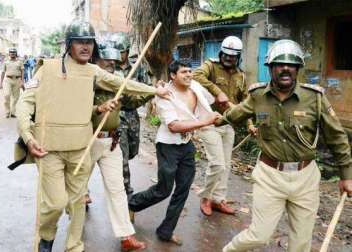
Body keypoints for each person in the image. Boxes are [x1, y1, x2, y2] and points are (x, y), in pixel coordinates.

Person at [16, 20, 170, 252]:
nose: (86, 46)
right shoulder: (46, 68)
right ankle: (46, 237)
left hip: (80, 149)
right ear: (69, 44)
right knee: (56, 202)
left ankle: (74, 246)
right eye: (80, 42)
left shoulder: (93, 72)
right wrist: (28, 136)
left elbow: (122, 83)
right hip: (49, 150)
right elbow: (24, 105)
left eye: (89, 42)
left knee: (78, 203)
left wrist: (154, 90)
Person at [220, 39, 352, 252]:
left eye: (291, 65)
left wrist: (346, 175)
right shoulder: (257, 96)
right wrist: (207, 120)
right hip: (269, 176)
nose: (285, 68)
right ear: (271, 68)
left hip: (305, 178)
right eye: (279, 64)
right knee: (259, 236)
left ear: (297, 69)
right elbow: (233, 115)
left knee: (300, 244)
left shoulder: (314, 98)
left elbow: (337, 137)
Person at [128, 60, 221, 245]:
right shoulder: (164, 95)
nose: (188, 75)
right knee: (164, 189)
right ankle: (132, 204)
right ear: (172, 75)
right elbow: (173, 126)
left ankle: (166, 230)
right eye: (183, 72)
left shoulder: (195, 86)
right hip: (168, 146)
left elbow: (210, 104)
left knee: (183, 189)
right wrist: (205, 122)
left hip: (187, 144)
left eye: (190, 71)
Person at [87, 42, 147, 251]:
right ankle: (73, 237)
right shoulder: (88, 78)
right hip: (88, 141)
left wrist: (153, 91)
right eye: (107, 61)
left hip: (111, 142)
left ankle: (126, 236)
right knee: (77, 190)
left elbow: (133, 100)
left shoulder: (118, 83)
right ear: (96, 61)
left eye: (114, 61)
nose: (112, 63)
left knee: (117, 189)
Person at [193, 36, 251, 216]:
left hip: (229, 124)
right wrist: (217, 92)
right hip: (209, 122)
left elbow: (246, 102)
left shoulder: (241, 76)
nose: (228, 58)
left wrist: (249, 123)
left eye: (233, 56)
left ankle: (218, 199)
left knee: (225, 165)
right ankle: (206, 197)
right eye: (226, 54)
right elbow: (196, 75)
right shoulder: (211, 66)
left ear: (238, 57)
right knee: (217, 163)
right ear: (221, 53)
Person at [112, 33, 153, 196]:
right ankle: (125, 189)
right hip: (117, 115)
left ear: (127, 51)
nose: (118, 55)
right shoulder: (110, 68)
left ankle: (119, 175)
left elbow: (149, 89)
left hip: (132, 115)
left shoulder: (138, 68)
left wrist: (137, 99)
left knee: (132, 151)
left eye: (121, 52)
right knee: (122, 154)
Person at [0, 48, 24, 118]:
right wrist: (1, 83)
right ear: (9, 53)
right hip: (8, 80)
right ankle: (7, 112)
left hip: (17, 80)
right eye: (11, 52)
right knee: (6, 95)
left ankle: (13, 112)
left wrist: (22, 81)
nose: (12, 54)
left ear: (16, 54)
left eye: (14, 52)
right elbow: (3, 72)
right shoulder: (6, 62)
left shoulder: (20, 62)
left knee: (16, 98)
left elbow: (22, 71)